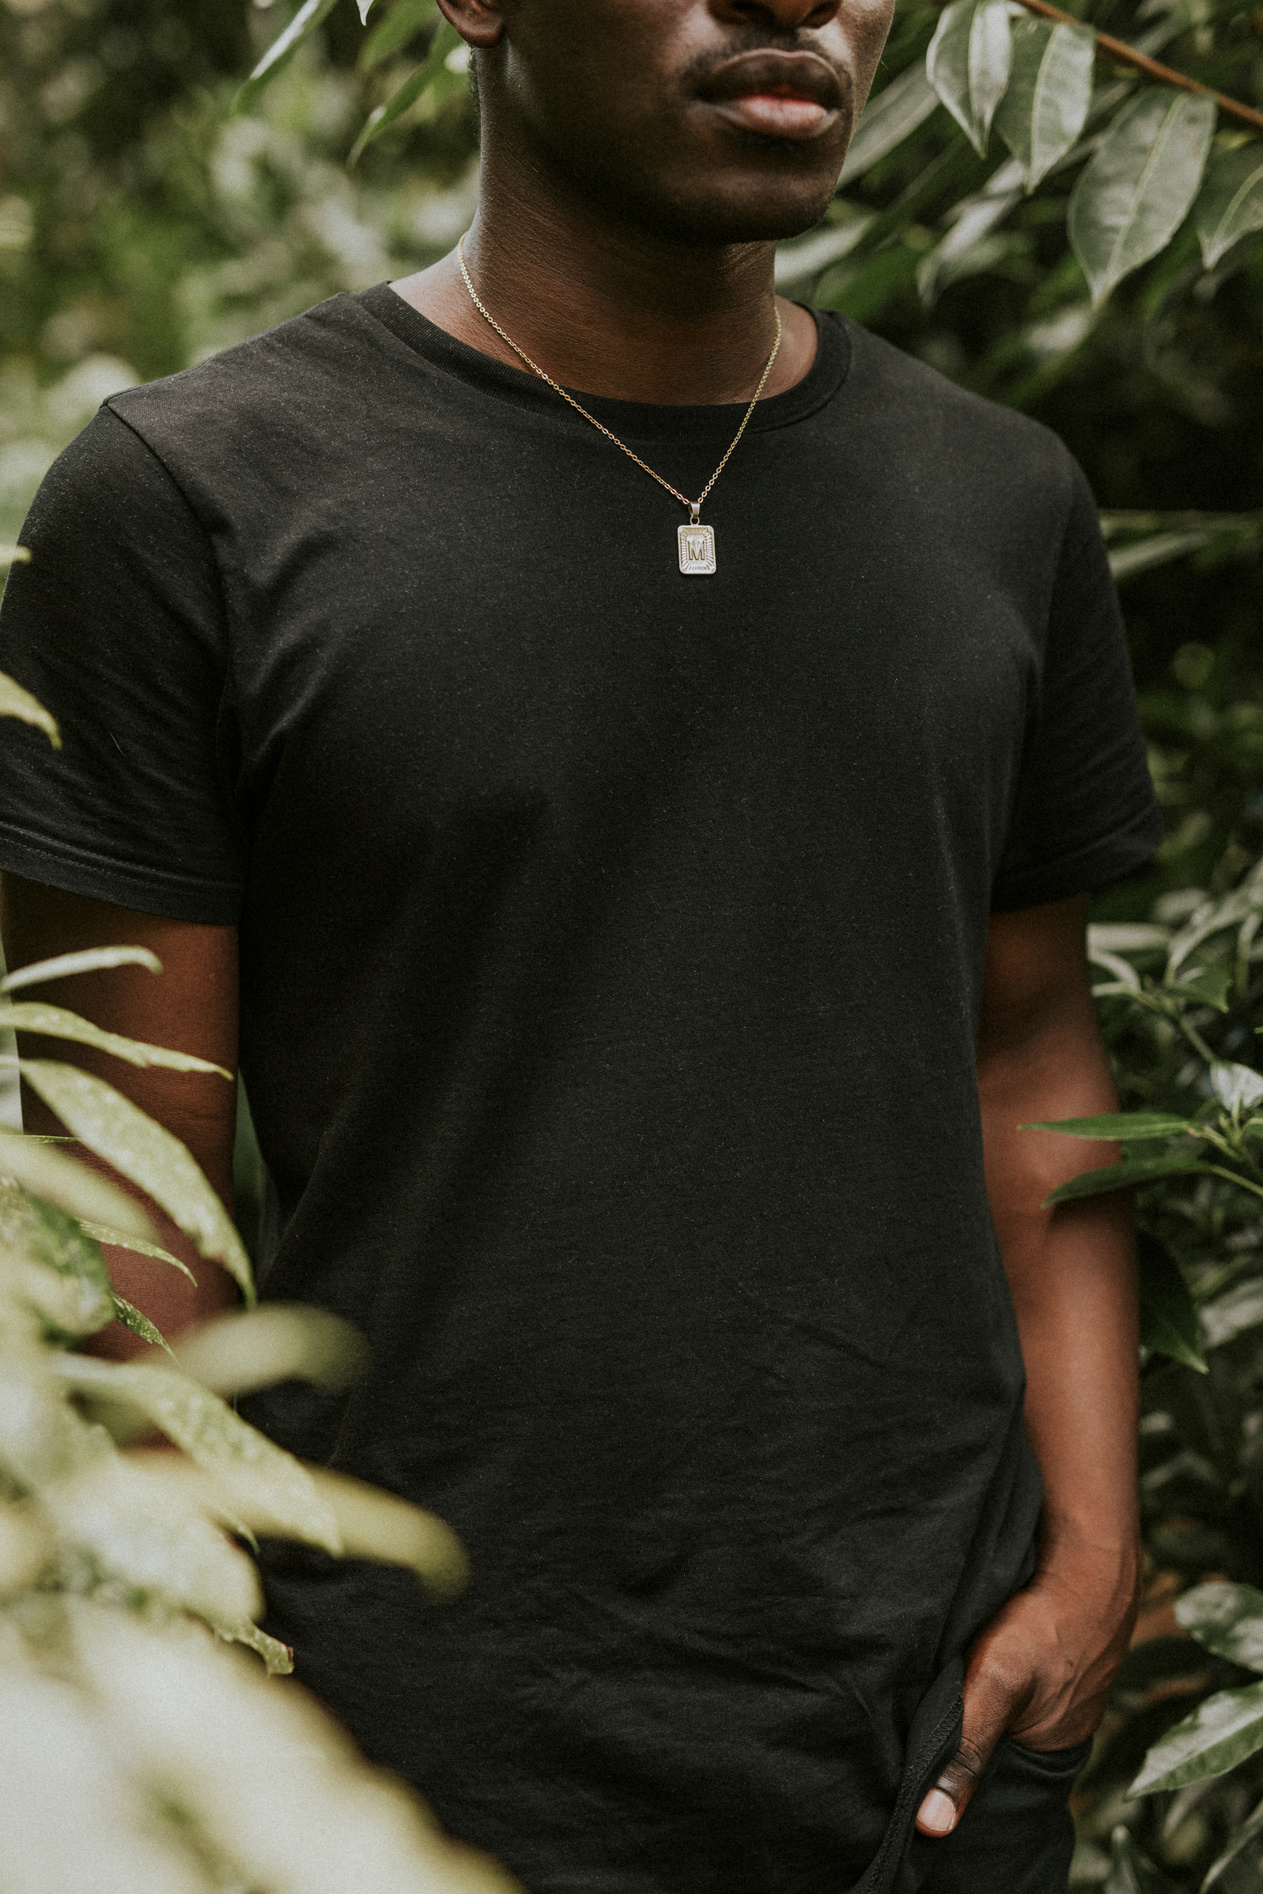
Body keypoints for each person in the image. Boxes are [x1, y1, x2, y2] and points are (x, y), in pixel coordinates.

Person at [0, 0, 1163, 1888]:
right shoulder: (195, 502)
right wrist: (197, 1726)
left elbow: (1031, 1057)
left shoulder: (999, 504)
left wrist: (1094, 1560)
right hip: (404, 1750)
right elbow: (131, 1194)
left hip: (924, 1744)